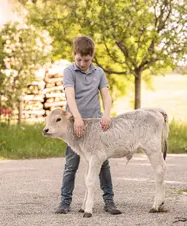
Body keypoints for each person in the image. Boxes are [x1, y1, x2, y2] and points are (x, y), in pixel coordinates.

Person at [55, 36, 121, 215]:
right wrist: (77, 118)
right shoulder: (69, 72)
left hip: (95, 125)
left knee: (103, 163)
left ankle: (109, 201)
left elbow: (106, 96)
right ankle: (64, 202)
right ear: (74, 55)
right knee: (71, 164)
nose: (83, 63)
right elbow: (70, 97)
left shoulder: (98, 72)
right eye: (79, 59)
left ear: (92, 57)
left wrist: (106, 115)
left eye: (86, 60)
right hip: (75, 124)